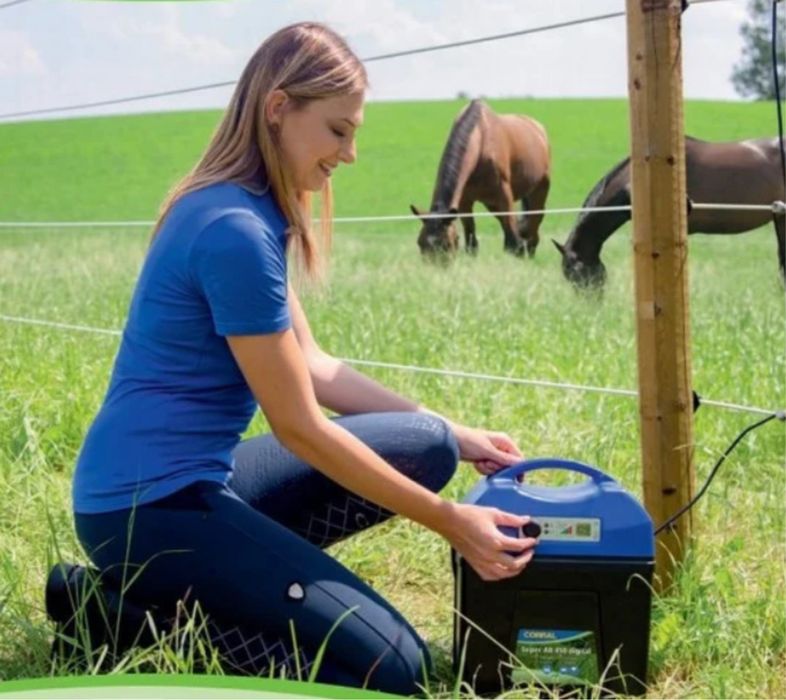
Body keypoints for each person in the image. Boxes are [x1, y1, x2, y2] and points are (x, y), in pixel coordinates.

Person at [63, 22, 538, 696]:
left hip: (199, 483)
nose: (349, 154)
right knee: (391, 670)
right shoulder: (233, 231)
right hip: (145, 510)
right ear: (279, 109)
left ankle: (213, 587)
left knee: (424, 446)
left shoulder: (249, 210)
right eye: (338, 131)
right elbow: (300, 428)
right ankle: (119, 619)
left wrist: (455, 434)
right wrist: (452, 522)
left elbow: (315, 366)